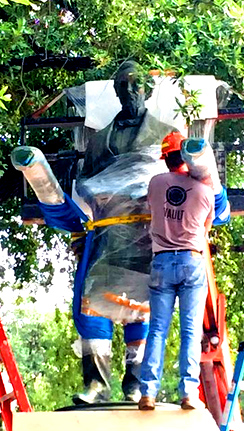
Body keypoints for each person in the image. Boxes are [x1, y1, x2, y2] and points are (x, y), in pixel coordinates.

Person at [73, 60, 177, 404]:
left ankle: (136, 383)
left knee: (142, 306)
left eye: (136, 85)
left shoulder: (165, 133)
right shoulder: (99, 140)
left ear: (147, 88)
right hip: (107, 233)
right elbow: (86, 183)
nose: (130, 91)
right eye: (124, 86)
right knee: (93, 306)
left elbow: (176, 180)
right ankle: (97, 384)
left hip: (149, 236)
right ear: (116, 92)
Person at [138, 131, 215, 411]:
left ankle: (147, 393)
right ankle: (188, 394)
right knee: (190, 330)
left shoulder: (155, 183)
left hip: (160, 262)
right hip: (191, 262)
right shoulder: (206, 192)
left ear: (165, 158)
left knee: (157, 329)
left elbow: (153, 210)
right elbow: (205, 230)